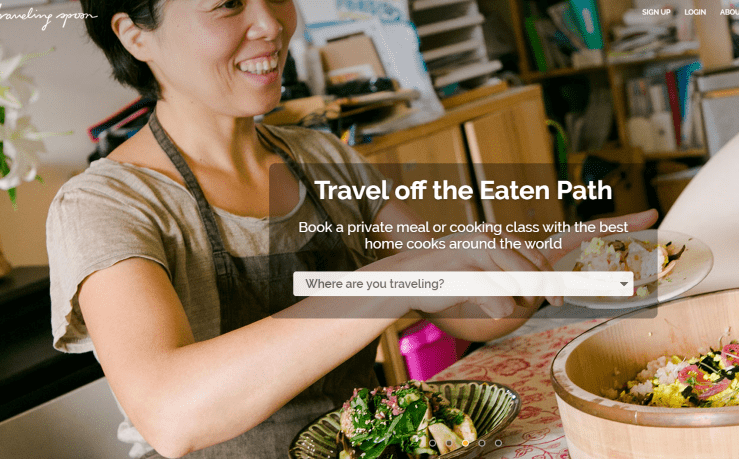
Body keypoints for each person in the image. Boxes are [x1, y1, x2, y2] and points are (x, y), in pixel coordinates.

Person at [47, 1, 658, 458]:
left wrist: (536, 265)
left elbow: (466, 311)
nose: (271, 23)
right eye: (228, 3)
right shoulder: (105, 203)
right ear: (135, 35)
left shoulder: (323, 157)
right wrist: (392, 280)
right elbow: (170, 414)